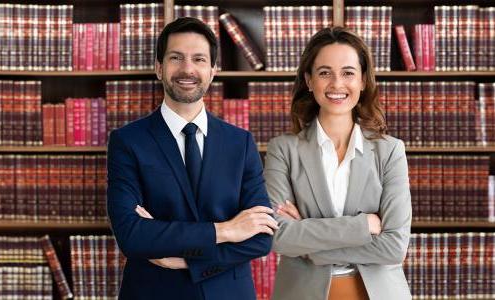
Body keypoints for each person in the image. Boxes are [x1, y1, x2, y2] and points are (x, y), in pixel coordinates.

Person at [107, 17, 277, 300]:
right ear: (159, 68)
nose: (187, 69)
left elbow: (261, 238)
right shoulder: (128, 142)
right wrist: (225, 230)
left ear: (212, 71)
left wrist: (186, 259)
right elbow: (132, 235)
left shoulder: (240, 143)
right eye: (176, 58)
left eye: (198, 59)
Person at [264, 27, 412, 300]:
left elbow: (393, 247)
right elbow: (277, 237)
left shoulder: (390, 151)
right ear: (309, 81)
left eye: (348, 72)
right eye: (324, 73)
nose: (336, 84)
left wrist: (307, 242)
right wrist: (362, 226)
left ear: (363, 80)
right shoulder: (283, 150)